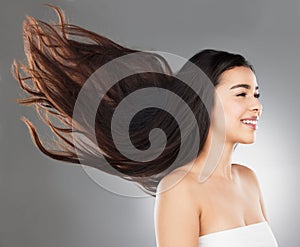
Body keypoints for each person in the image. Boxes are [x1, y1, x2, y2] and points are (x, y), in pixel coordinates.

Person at [13, 5, 278, 247]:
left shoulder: (249, 180)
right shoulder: (180, 189)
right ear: (204, 102)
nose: (256, 105)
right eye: (241, 94)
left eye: (256, 94)